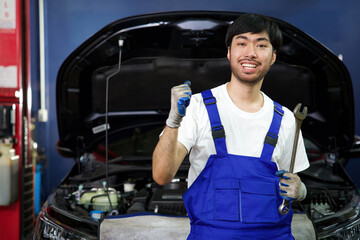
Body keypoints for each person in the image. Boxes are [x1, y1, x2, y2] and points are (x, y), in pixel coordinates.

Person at [152, 13, 309, 240]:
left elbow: (290, 184)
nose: (250, 53)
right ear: (229, 52)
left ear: (273, 56)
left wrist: (301, 191)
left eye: (261, 45)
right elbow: (162, 176)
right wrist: (173, 122)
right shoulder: (197, 107)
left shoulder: (286, 119)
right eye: (241, 43)